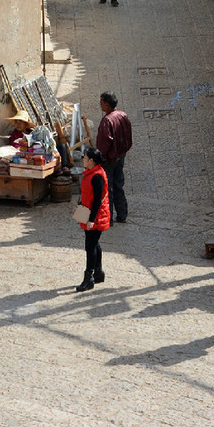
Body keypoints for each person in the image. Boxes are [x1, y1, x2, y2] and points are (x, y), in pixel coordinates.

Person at [74, 145, 111, 292]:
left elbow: (97, 201)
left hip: (96, 215)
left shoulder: (97, 176)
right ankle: (99, 272)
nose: (83, 159)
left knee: (90, 246)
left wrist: (91, 220)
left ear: (91, 161)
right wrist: (79, 207)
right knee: (94, 243)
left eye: (85, 157)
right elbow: (87, 195)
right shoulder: (91, 173)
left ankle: (89, 277)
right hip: (91, 213)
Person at [96, 91, 132, 223]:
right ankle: (122, 215)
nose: (100, 105)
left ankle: (108, 218)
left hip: (110, 160)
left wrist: (99, 158)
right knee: (118, 185)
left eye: (101, 102)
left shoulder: (107, 121)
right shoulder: (123, 115)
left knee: (107, 189)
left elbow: (104, 144)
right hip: (120, 156)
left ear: (107, 104)